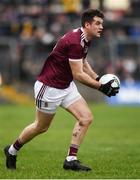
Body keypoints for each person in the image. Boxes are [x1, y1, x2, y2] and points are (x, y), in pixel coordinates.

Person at [4, 9, 119, 171]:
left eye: (102, 24)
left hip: (65, 86)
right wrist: (101, 87)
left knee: (85, 118)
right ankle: (12, 150)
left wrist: (98, 77)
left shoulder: (85, 37)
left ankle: (70, 160)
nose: (101, 27)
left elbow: (83, 62)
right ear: (87, 24)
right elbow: (78, 74)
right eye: (98, 23)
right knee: (41, 127)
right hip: (49, 87)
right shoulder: (74, 41)